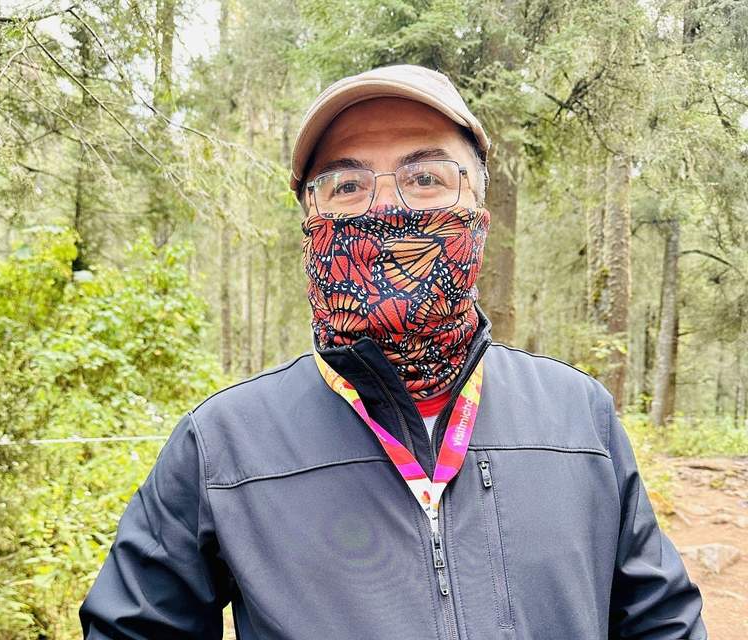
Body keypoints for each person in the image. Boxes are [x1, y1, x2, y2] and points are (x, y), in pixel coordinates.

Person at [80, 64, 706, 639]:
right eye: (347, 185)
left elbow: (661, 623)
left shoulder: (578, 417)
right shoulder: (222, 445)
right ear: (310, 222)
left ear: (479, 209)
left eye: (425, 178)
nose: (385, 207)